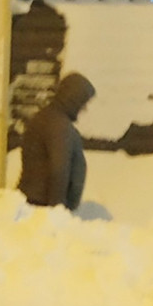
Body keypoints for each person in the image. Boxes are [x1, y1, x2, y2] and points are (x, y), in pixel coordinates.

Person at [17, 72, 97, 211]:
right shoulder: (58, 126)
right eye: (82, 103)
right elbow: (59, 169)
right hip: (41, 207)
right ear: (73, 99)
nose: (84, 108)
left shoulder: (49, 118)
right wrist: (56, 210)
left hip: (36, 203)